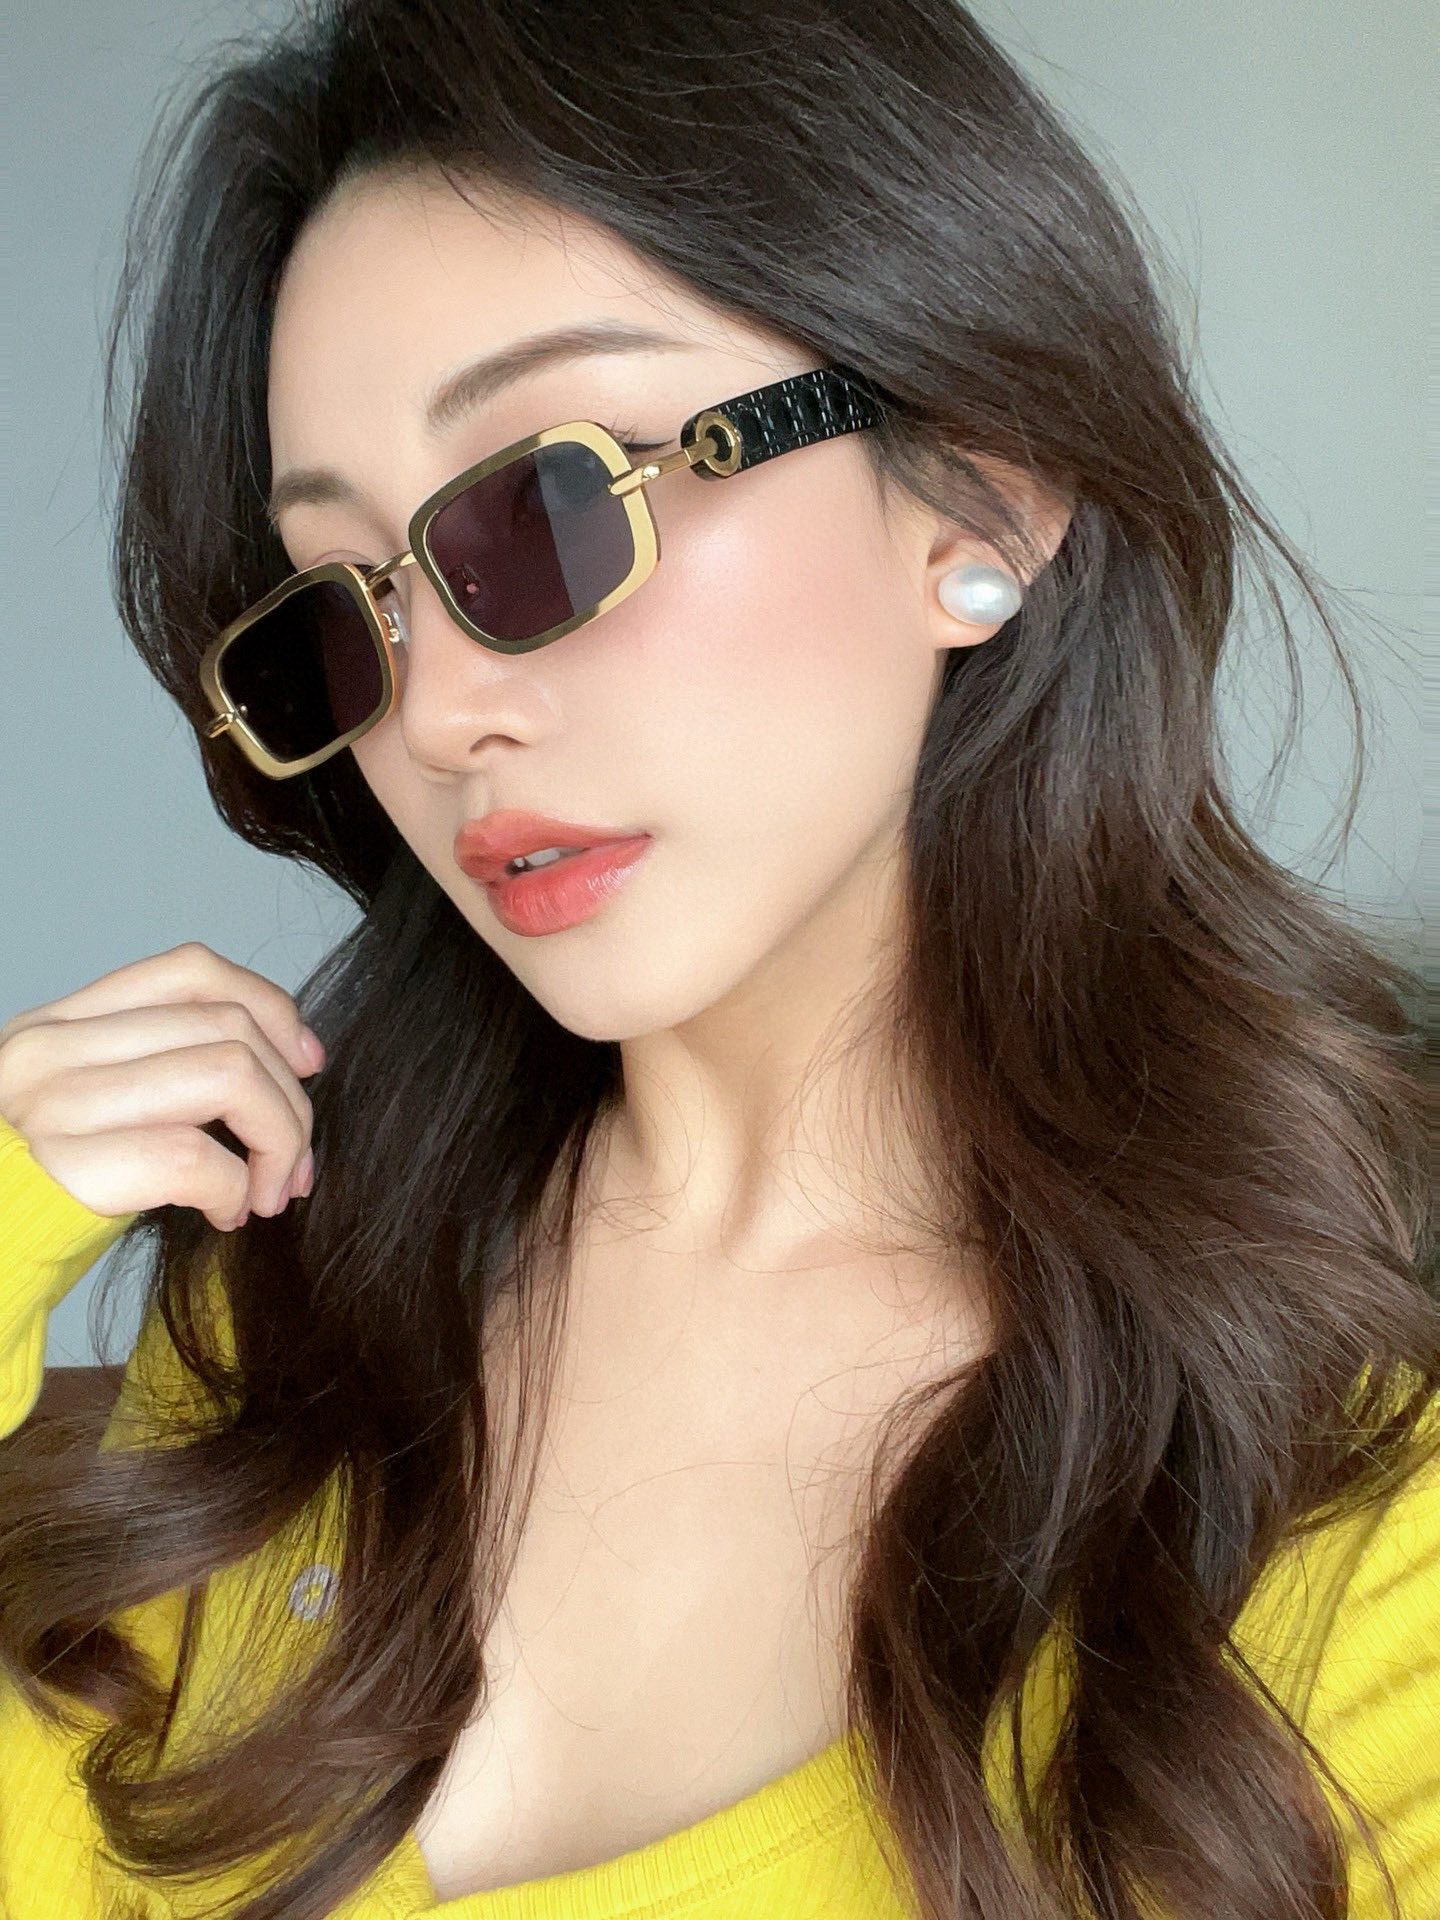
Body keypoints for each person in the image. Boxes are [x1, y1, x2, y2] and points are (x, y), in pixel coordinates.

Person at [0, 2, 1434, 1917]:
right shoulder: (292, 1304)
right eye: (343, 610)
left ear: (983, 493)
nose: (437, 717)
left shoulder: (1337, 1513)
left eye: (548, 504)